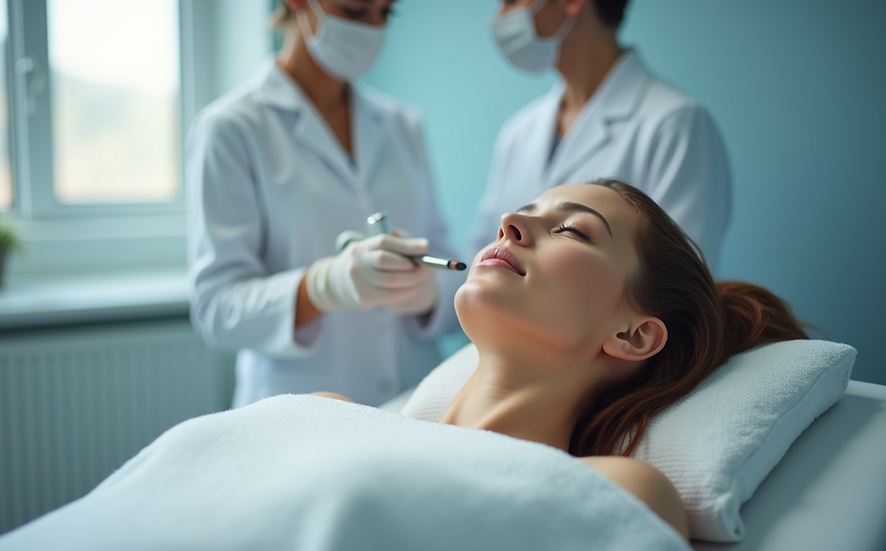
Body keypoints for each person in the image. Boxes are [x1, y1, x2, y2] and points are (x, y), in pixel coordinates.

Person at [327, 178, 806, 538]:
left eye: (573, 230)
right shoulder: (330, 415)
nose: (509, 222)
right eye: (523, 211)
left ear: (634, 335)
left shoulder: (623, 491)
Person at [185, 0, 465, 408]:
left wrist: (429, 295)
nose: (371, 29)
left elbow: (445, 258)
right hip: (299, 409)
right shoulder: (231, 129)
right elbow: (217, 310)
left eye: (384, 13)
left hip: (414, 398)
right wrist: (327, 285)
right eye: (353, 12)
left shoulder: (403, 125)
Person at [470, 0, 732, 271]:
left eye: (512, 1)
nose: (501, 14)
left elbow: (682, 286)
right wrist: (430, 296)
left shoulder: (676, 124)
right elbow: (481, 253)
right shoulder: (519, 131)